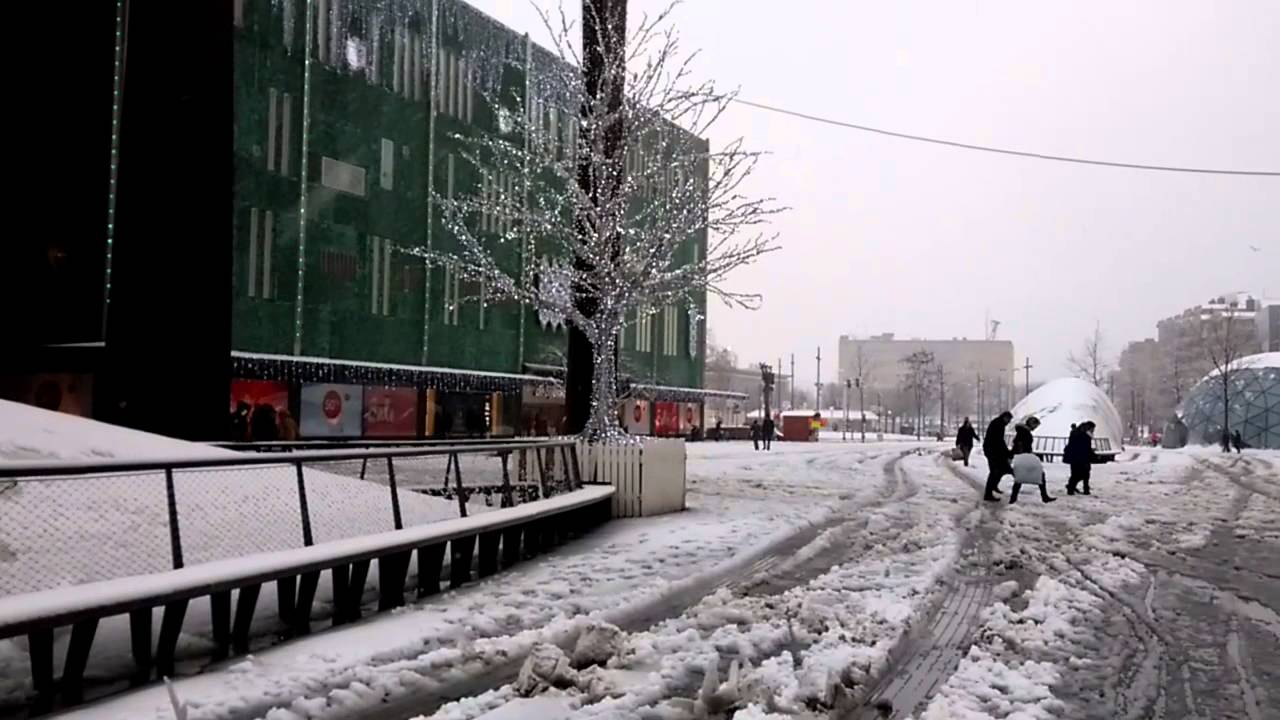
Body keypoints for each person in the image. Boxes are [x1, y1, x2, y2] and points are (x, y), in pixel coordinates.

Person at [982, 411, 1014, 501]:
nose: (1009, 422)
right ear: (1005, 417)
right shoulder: (998, 425)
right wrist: (1007, 452)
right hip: (992, 451)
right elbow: (999, 441)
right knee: (994, 471)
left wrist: (1005, 452)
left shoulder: (998, 423)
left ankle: (993, 487)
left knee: (999, 470)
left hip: (993, 450)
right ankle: (988, 494)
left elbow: (999, 441)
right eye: (1009, 420)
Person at [1064, 421, 1095, 495]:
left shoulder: (1078, 432)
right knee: (1082, 474)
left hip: (1076, 457)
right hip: (1080, 457)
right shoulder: (1083, 435)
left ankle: (1073, 488)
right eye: (1093, 429)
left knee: (1079, 474)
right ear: (1089, 427)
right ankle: (1073, 488)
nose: (1093, 431)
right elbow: (1084, 447)